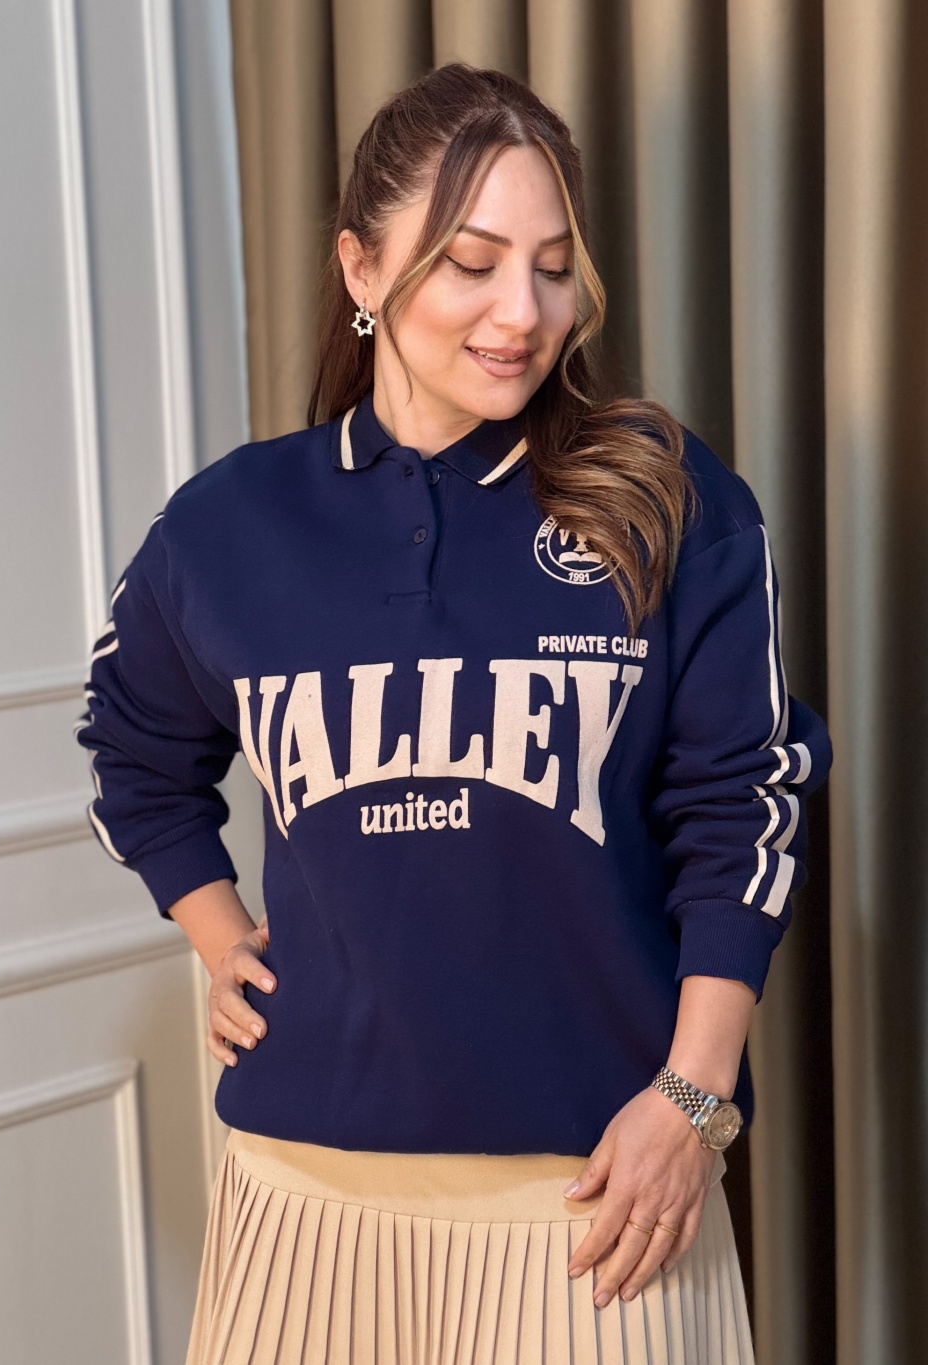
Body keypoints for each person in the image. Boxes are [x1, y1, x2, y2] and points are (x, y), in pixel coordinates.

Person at [75, 61, 832, 1365]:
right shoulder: (231, 525)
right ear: (361, 270)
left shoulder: (667, 496)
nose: (521, 312)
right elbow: (130, 750)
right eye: (472, 263)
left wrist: (694, 1097)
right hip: (302, 1201)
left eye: (554, 267)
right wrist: (220, 933)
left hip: (598, 1201)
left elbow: (744, 803)